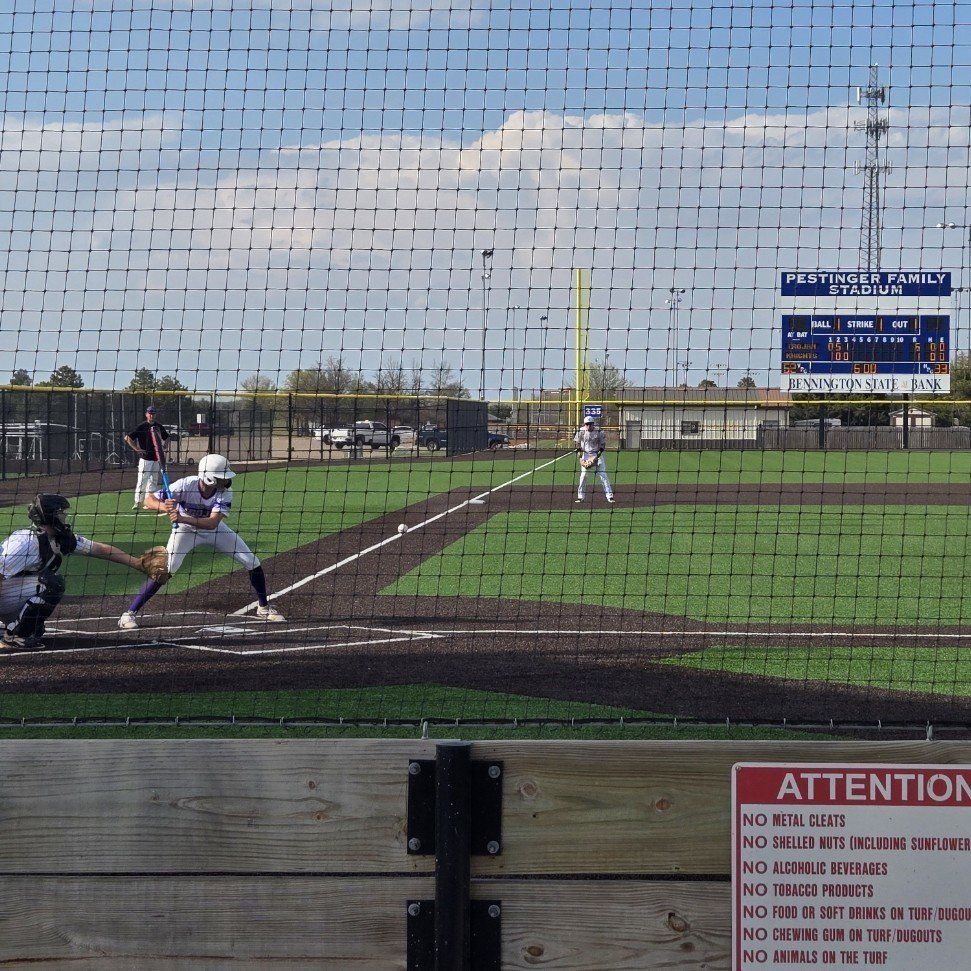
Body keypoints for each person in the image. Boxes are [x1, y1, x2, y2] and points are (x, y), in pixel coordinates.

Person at [118, 453, 286, 629]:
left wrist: (182, 518)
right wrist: (165, 507)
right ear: (208, 478)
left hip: (212, 529)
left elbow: (212, 522)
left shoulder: (225, 493)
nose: (225, 482)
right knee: (165, 570)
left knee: (252, 562)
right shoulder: (185, 485)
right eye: (221, 478)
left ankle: (263, 608)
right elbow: (148, 500)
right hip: (185, 532)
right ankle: (129, 614)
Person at [1, 494, 147, 650]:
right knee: (50, 584)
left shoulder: (56, 538)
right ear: (50, 515)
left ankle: (15, 629)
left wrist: (138, 564)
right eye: (60, 513)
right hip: (4, 594)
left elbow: (99, 549)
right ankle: (12, 638)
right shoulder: (25, 542)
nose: (64, 516)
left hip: (9, 595)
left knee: (34, 627)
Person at [124, 404, 169, 510]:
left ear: (155, 415)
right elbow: (128, 438)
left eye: (153, 414)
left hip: (156, 458)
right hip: (145, 459)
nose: (151, 416)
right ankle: (137, 502)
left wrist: (164, 445)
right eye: (150, 413)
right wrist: (137, 449)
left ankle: (149, 502)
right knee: (142, 480)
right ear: (146, 414)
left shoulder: (159, 426)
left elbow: (166, 437)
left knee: (153, 480)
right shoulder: (141, 426)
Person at [573, 415, 615, 504]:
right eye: (586, 424)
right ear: (585, 424)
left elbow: (602, 446)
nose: (588, 426)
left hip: (597, 455)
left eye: (590, 424)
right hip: (585, 455)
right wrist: (580, 457)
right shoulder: (581, 431)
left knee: (603, 476)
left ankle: (609, 496)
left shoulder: (599, 431)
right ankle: (580, 497)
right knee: (583, 476)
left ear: (593, 424)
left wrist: (596, 457)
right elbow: (577, 444)